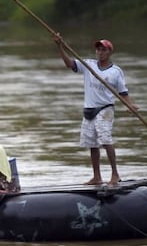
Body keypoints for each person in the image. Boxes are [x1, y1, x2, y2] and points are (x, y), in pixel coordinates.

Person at [54, 34, 139, 185]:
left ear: (109, 52)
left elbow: (123, 92)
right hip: (89, 109)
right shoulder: (88, 65)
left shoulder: (115, 71)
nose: (100, 52)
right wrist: (60, 46)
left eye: (103, 50)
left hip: (105, 109)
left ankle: (115, 174)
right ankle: (97, 177)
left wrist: (130, 105)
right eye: (98, 50)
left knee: (105, 138)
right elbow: (70, 64)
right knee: (91, 143)